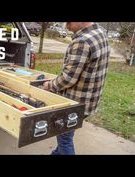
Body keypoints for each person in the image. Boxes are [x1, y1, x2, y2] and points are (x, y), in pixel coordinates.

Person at [43, 22, 110, 155]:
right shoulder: (100, 33)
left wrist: (49, 85)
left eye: (69, 22)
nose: (66, 26)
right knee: (65, 133)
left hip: (74, 103)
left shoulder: (82, 41)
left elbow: (68, 78)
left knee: (64, 139)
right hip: (89, 101)